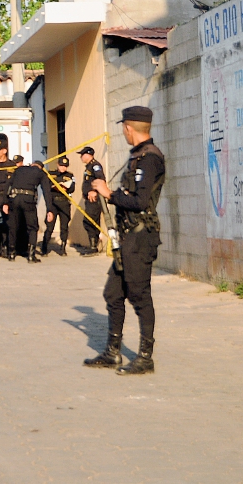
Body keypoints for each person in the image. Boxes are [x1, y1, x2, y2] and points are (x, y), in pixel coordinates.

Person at [84, 106, 165, 375]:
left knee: (140, 295)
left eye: (123, 128)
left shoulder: (150, 158)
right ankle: (112, 352)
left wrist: (109, 194)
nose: (123, 132)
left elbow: (140, 201)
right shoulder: (138, 157)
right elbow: (130, 193)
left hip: (141, 238)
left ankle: (145, 357)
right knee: (113, 293)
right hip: (128, 236)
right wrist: (105, 192)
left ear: (129, 128)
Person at [7, 157, 54, 263]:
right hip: (28, 200)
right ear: (41, 167)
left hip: (14, 199)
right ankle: (31, 255)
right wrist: (49, 210)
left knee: (13, 226)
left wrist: (5, 202)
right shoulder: (41, 173)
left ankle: (11, 254)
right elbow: (47, 192)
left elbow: (8, 184)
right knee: (32, 227)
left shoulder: (19, 169)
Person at [41, 156, 75, 257]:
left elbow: (72, 188)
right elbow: (47, 186)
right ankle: (44, 246)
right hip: (53, 203)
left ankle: (63, 247)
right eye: (61, 165)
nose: (63, 168)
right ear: (57, 164)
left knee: (64, 226)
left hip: (64, 202)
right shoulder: (51, 174)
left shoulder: (70, 175)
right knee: (50, 226)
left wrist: (65, 188)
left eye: (65, 166)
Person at [79, 146, 106, 255]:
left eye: (82, 154)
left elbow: (101, 179)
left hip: (94, 199)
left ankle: (94, 246)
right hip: (89, 199)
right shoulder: (89, 167)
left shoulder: (95, 166)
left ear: (89, 154)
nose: (81, 157)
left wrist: (94, 191)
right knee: (91, 221)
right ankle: (92, 245)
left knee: (89, 220)